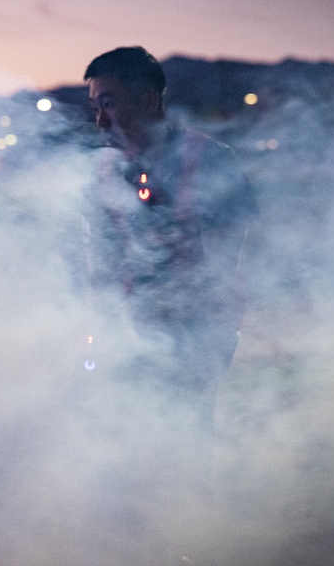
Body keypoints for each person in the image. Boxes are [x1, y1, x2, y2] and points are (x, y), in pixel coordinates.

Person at [81, 46, 258, 432]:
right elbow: (102, 263)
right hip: (128, 333)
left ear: (147, 99)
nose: (100, 121)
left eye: (108, 104)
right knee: (128, 438)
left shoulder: (209, 159)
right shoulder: (104, 173)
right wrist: (98, 334)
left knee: (182, 435)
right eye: (95, 107)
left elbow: (235, 257)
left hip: (197, 333)